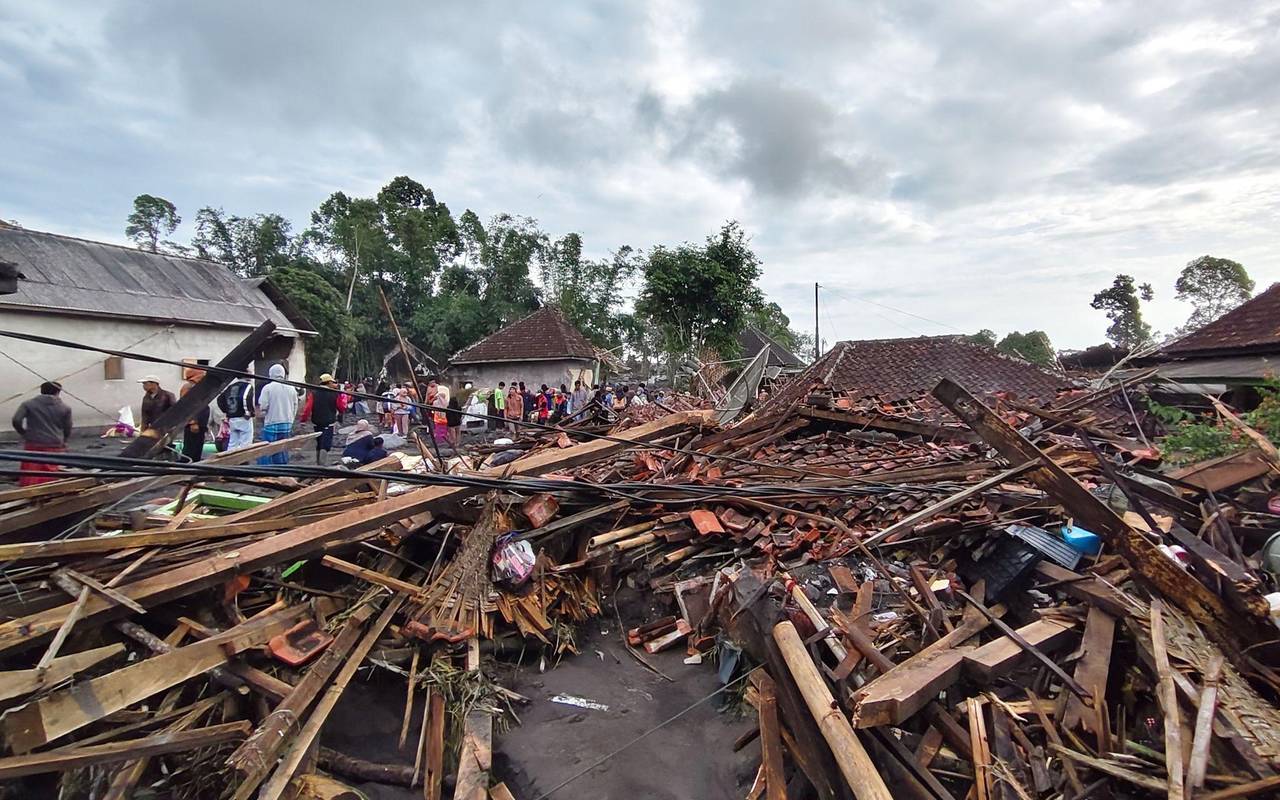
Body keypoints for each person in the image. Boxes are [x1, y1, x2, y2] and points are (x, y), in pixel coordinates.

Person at [12, 381, 72, 486]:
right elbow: (68, 427)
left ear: (41, 390)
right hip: (55, 443)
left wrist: (24, 433)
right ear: (58, 392)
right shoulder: (65, 408)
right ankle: (49, 492)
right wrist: (64, 440)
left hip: (34, 442)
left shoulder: (28, 404)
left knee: (30, 469)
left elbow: (16, 420)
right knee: (50, 470)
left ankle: (28, 491)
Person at [257, 363, 298, 465]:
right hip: (287, 423)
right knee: (282, 448)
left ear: (271, 373)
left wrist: (263, 413)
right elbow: (295, 405)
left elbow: (263, 406)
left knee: (269, 449)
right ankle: (282, 469)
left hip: (272, 422)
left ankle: (268, 471)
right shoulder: (291, 388)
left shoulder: (267, 388)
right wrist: (291, 419)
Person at [178, 365, 211, 462]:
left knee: (197, 447)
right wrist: (193, 422)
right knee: (190, 447)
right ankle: (186, 466)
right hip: (194, 424)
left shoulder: (197, 387)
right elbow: (186, 407)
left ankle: (194, 466)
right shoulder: (189, 387)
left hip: (200, 423)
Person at [217, 375, 257, 450]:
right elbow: (245, 397)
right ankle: (243, 460)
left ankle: (230, 459)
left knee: (232, 442)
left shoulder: (230, 387)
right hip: (243, 417)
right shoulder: (247, 386)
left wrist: (227, 411)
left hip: (232, 417)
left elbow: (220, 399)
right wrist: (248, 412)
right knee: (245, 443)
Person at [310, 373, 342, 465]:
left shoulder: (314, 393)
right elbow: (341, 407)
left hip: (316, 422)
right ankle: (322, 464)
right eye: (332, 382)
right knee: (325, 443)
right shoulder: (334, 394)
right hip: (329, 422)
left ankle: (318, 463)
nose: (334, 384)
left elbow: (308, 407)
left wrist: (303, 419)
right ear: (328, 383)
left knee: (319, 442)